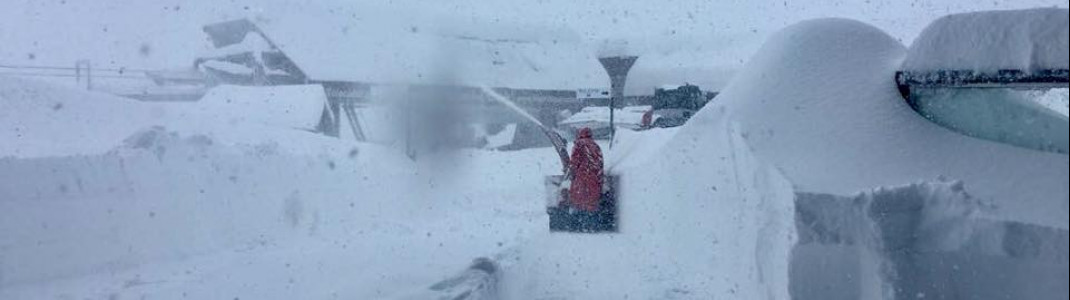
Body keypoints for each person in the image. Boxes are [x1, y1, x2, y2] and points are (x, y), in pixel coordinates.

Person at [566, 127, 605, 230]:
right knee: (592, 205)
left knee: (579, 204)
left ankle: (580, 228)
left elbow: (574, 163)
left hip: (582, 180)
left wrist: (570, 172)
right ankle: (593, 227)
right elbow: (600, 164)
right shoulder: (596, 146)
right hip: (594, 181)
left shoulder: (579, 145)